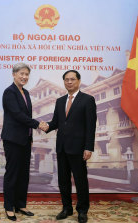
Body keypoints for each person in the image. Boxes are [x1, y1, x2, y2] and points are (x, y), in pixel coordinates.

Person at [41, 70, 97, 223]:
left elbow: (90, 126)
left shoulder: (88, 100)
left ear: (78, 81)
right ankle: (66, 208)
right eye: (66, 79)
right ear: (64, 82)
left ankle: (82, 210)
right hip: (62, 148)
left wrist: (88, 147)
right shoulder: (59, 101)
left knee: (80, 181)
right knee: (63, 180)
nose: (69, 82)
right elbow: (56, 122)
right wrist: (46, 126)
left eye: (72, 79)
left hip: (79, 148)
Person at [1, 62, 46, 221]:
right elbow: (17, 115)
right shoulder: (9, 92)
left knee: (24, 174)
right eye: (21, 74)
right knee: (12, 173)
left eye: (27, 74)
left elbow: (26, 116)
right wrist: (38, 124)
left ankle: (20, 204)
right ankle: (9, 207)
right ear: (14, 74)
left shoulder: (26, 93)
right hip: (12, 140)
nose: (24, 77)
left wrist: (31, 138)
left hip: (25, 140)